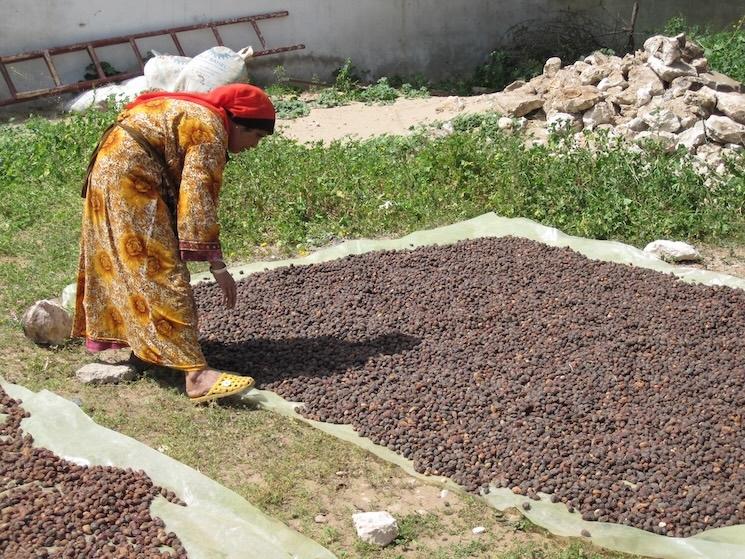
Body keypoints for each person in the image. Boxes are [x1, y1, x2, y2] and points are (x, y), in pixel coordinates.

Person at [72, 83, 275, 403]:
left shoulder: (202, 116)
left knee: (132, 267)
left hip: (112, 166)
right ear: (239, 125)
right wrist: (217, 266)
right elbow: (197, 202)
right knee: (160, 269)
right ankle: (196, 377)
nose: (255, 145)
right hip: (129, 175)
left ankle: (148, 350)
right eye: (257, 137)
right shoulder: (210, 129)